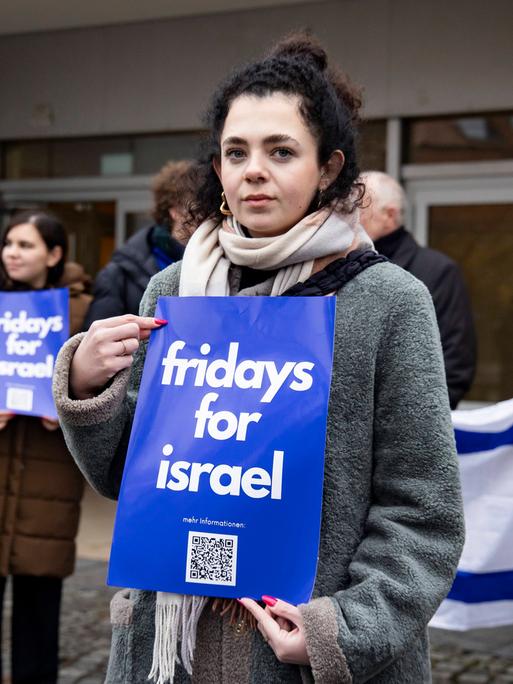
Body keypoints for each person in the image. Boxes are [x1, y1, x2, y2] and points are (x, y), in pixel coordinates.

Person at [52, 34, 464, 683]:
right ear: (215, 168)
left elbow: (423, 513)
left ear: (327, 168)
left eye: (280, 151)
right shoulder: (174, 291)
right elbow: (127, 481)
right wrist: (86, 384)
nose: (253, 170)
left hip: (300, 661)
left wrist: (341, 630)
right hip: (169, 656)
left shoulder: (386, 301)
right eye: (235, 151)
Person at [0, 210, 91, 684]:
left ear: (54, 255)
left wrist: (69, 406)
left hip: (47, 477)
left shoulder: (83, 312)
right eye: (9, 243)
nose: (13, 253)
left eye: (27, 245)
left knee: (39, 607)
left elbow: (104, 390)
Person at [359, 170, 477, 409]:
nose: (346, 217)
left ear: (389, 215)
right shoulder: (340, 270)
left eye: (358, 208)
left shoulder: (438, 271)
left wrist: (411, 422)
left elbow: (455, 366)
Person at [84, 160, 193, 327]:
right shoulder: (119, 274)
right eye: (200, 203)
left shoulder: (220, 264)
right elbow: (99, 342)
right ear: (175, 210)